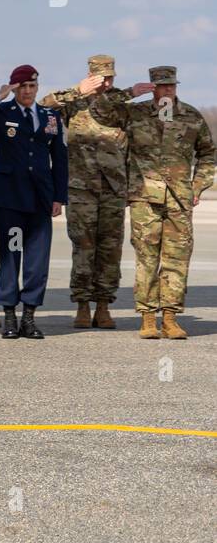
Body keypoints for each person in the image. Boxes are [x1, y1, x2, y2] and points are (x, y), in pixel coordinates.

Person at [91, 66, 215, 340]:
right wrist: (127, 94)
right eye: (162, 86)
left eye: (172, 85)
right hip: (144, 197)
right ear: (152, 87)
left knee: (177, 259)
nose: (168, 90)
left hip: (179, 200)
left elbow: (208, 155)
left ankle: (170, 317)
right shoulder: (134, 114)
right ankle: (148, 318)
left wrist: (197, 186)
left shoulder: (191, 116)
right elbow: (99, 113)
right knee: (147, 258)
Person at [0, 65, 68, 340]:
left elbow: (59, 158)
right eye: (22, 87)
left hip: (40, 199)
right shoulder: (2, 112)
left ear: (37, 87)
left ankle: (29, 317)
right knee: (11, 256)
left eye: (32, 86)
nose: (27, 91)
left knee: (37, 260)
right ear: (14, 88)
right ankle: (9, 315)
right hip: (10, 199)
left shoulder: (50, 116)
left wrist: (59, 197)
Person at [40, 55, 130, 329]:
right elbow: (44, 105)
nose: (106, 83)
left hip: (114, 189)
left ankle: (103, 306)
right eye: (101, 78)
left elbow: (136, 145)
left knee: (110, 250)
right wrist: (78, 90)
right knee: (83, 247)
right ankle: (81, 304)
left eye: (109, 77)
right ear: (90, 76)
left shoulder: (121, 104)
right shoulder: (74, 103)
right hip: (80, 189)